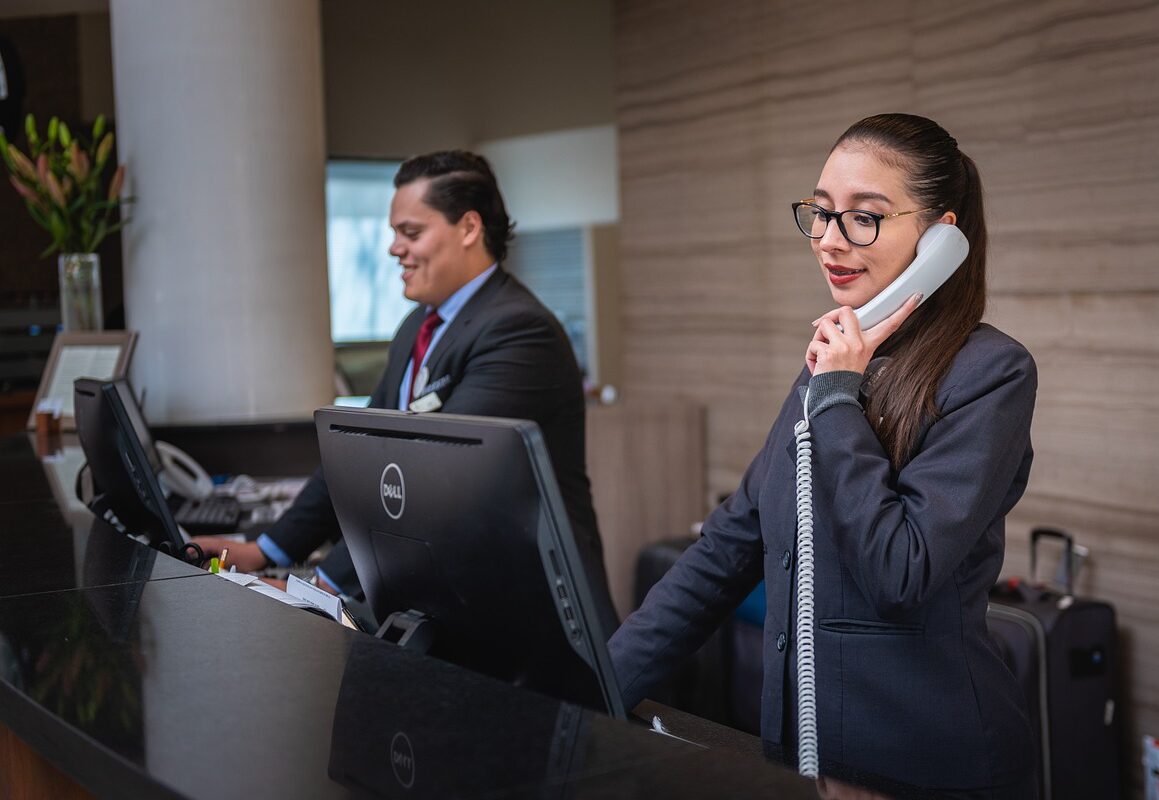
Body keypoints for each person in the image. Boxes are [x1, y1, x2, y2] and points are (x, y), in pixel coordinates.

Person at [608, 114, 1037, 798]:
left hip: (926, 766)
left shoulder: (990, 373)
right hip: (801, 760)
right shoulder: (834, 363)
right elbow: (727, 548)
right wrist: (594, 688)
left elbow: (902, 569)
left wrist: (838, 392)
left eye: (863, 218)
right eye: (821, 212)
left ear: (941, 238)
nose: (829, 241)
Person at [195, 151, 619, 635]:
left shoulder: (519, 332)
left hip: (529, 623)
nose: (395, 248)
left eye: (411, 232)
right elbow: (357, 456)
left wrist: (321, 587)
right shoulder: (418, 324)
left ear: (468, 228)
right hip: (448, 605)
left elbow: (431, 486)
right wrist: (268, 550)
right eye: (394, 232)